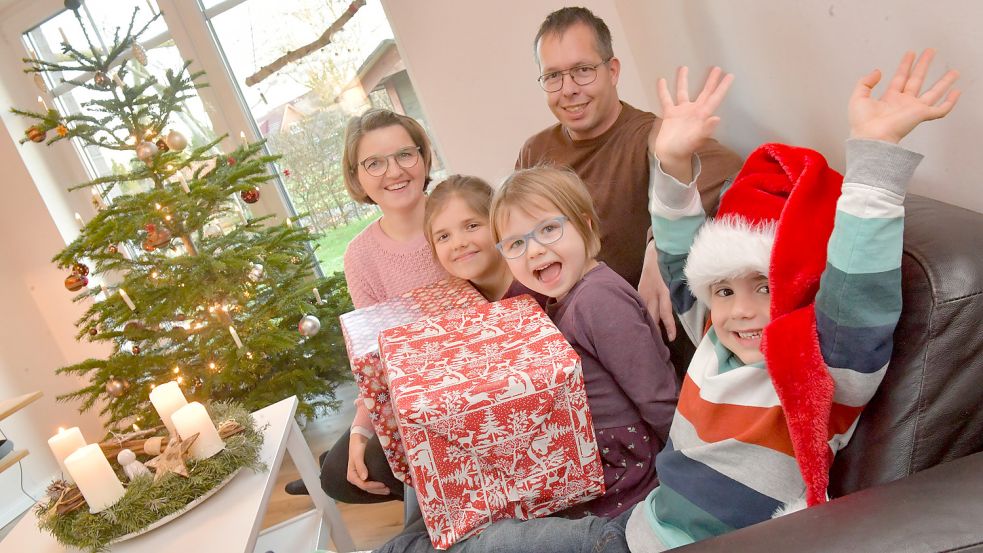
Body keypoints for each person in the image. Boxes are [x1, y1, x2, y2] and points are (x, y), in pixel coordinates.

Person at [364, 49, 960, 553]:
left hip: (629, 540)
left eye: (764, 287)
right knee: (443, 517)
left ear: (800, 292)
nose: (741, 310)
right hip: (637, 522)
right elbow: (681, 261)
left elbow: (860, 300)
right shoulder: (715, 337)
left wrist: (876, 161)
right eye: (724, 290)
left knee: (465, 540)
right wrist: (672, 162)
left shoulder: (816, 369)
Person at [517, 7, 744, 369]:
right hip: (575, 338)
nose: (569, 88)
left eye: (583, 70)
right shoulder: (536, 151)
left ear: (612, 71)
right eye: (553, 76)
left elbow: (729, 168)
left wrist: (657, 245)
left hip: (650, 347)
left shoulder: (650, 135)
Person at [488, 166, 678, 517]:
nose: (534, 251)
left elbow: (656, 395)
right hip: (591, 457)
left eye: (548, 229)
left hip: (628, 474)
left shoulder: (598, 300)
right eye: (517, 243)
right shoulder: (558, 295)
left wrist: (689, 469)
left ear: (586, 226)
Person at [286, 108, 446, 503]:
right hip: (409, 394)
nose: (394, 172)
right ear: (356, 176)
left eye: (405, 155)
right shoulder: (360, 255)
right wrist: (362, 429)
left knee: (359, 468)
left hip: (468, 387)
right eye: (374, 163)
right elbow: (376, 357)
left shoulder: (459, 214)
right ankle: (333, 460)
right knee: (340, 476)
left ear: (424, 157)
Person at [424, 174, 545, 305]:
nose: (458, 244)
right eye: (443, 237)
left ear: (498, 224)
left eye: (472, 226)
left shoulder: (538, 287)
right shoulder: (453, 300)